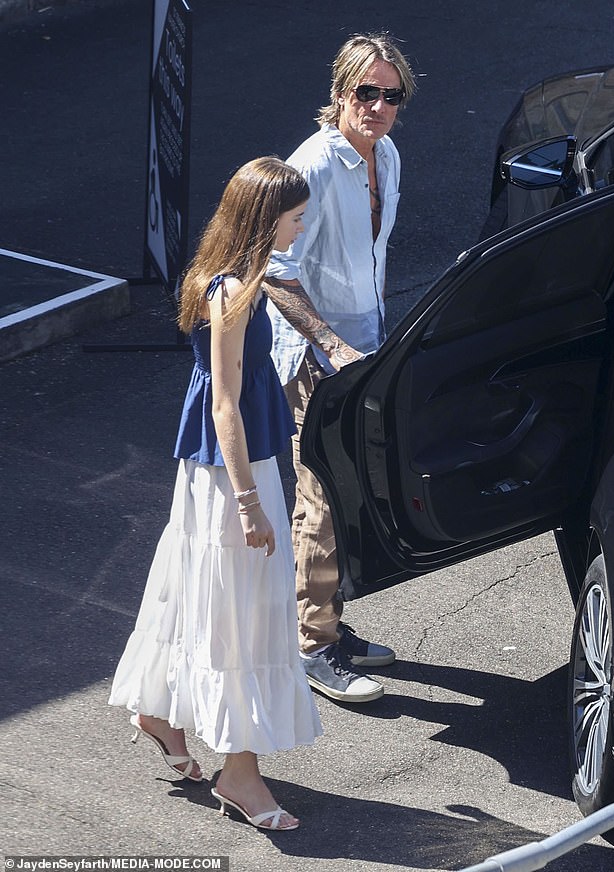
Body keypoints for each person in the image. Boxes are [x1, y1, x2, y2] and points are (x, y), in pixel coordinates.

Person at [109, 157, 327, 832]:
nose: (303, 223)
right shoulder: (234, 290)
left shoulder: (241, 277)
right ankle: (240, 772)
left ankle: (162, 713)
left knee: (202, 592)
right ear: (266, 221)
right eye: (295, 216)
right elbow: (226, 405)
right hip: (233, 472)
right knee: (242, 610)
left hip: (220, 472)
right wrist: (249, 502)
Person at [265, 33, 416, 704]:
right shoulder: (314, 167)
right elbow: (272, 270)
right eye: (366, 91)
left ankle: (329, 621)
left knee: (352, 494)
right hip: (314, 359)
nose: (378, 105)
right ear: (339, 93)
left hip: (362, 352)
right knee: (319, 502)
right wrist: (332, 345)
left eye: (391, 94)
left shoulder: (386, 154)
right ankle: (310, 647)